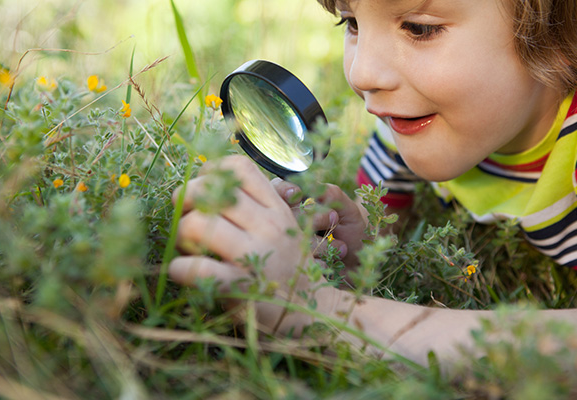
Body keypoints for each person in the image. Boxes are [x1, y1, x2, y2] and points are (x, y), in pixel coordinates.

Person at [168, 0, 577, 367]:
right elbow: (385, 238)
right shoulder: (408, 126)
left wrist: (320, 312)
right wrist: (358, 252)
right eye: (351, 22)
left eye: (419, 27)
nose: (363, 74)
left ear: (560, 29)